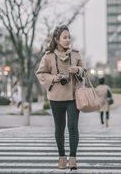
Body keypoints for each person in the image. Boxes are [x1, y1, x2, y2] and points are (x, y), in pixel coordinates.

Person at [36, 25, 85, 170]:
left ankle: (73, 158)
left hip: (73, 97)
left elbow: (84, 70)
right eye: (65, 37)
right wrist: (53, 78)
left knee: (73, 127)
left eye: (69, 37)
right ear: (57, 39)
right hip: (56, 98)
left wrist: (78, 70)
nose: (68, 40)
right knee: (59, 128)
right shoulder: (48, 56)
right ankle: (62, 157)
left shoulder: (75, 55)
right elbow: (40, 73)